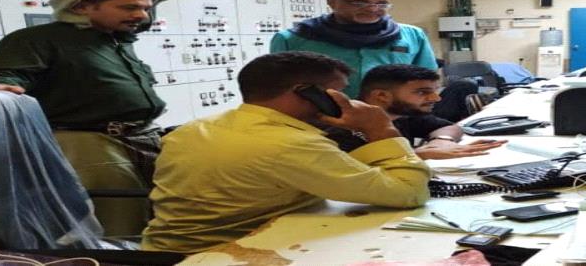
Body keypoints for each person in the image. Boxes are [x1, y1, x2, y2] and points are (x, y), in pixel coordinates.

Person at [142, 51, 430, 253]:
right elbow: (408, 193)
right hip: (220, 254)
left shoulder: (199, 126)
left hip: (169, 247)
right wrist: (381, 128)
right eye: (339, 91)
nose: (347, 99)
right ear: (307, 93)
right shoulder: (289, 143)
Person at [0, 0, 172, 187]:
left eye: (146, 9)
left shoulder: (115, 40)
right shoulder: (38, 39)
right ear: (80, 7)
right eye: (129, 8)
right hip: (90, 142)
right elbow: (5, 75)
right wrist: (0, 86)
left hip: (141, 136)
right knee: (119, 204)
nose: (141, 15)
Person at [270, 0, 437, 98]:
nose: (372, 9)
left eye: (381, 4)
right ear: (332, 3)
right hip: (319, 117)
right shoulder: (293, 38)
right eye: (359, 3)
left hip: (393, 116)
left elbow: (425, 80)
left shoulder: (412, 35)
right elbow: (278, 87)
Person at [325, 64, 506, 160]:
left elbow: (450, 127)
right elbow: (347, 170)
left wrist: (442, 142)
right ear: (381, 96)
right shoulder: (340, 128)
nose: (436, 98)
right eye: (422, 92)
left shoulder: (402, 115)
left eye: (435, 90)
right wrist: (417, 155)